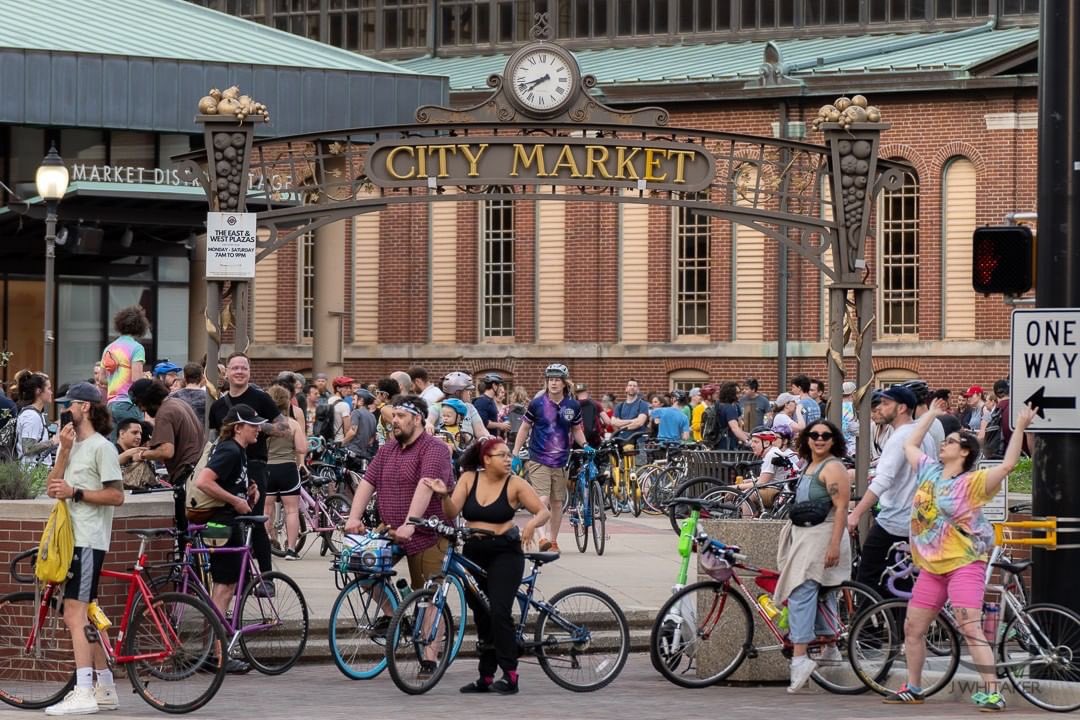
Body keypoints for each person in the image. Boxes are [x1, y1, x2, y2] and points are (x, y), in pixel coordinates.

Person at [884, 400, 1037, 710]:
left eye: (951, 442)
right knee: (913, 629)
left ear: (965, 451)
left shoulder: (974, 482)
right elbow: (910, 444)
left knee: (970, 627)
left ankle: (993, 691)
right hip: (931, 567)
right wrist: (929, 415)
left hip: (964, 563)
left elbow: (1007, 466)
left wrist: (1019, 427)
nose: (945, 444)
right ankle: (913, 687)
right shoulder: (928, 470)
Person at [423, 438, 550, 695]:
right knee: (482, 613)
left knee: (499, 610)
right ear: (486, 459)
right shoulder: (469, 479)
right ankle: (486, 677)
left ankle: (511, 675)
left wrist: (530, 525)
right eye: (501, 455)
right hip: (473, 552)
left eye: (508, 455)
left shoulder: (515, 483)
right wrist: (444, 495)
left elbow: (543, 511)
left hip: (505, 552)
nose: (508, 459)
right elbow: (451, 511)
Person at [44, 382, 124, 715]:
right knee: (85, 613)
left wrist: (76, 492)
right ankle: (104, 686)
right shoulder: (73, 444)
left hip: (88, 540)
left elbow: (117, 495)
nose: (65, 410)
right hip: (72, 540)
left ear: (85, 407)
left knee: (73, 614)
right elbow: (52, 487)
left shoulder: (102, 448)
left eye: (70, 405)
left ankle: (84, 691)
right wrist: (63, 451)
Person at [343, 395, 455, 600]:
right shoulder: (388, 448)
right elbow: (368, 481)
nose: (394, 420)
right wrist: (354, 517)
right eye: (393, 415)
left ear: (417, 419)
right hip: (391, 530)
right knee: (362, 567)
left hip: (427, 533)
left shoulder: (434, 448)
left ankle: (427, 631)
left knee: (427, 596)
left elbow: (426, 484)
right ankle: (393, 617)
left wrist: (410, 524)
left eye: (401, 416)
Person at [774, 419, 851, 694]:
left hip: (823, 534)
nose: (819, 439)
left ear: (834, 440)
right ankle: (829, 646)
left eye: (825, 436)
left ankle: (800, 658)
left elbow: (841, 509)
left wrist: (833, 546)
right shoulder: (810, 465)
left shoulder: (833, 467)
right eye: (814, 435)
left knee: (801, 589)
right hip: (806, 534)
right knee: (821, 592)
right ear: (806, 438)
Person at [208, 353, 292, 587]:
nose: (239, 372)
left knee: (255, 521)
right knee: (229, 521)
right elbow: (213, 440)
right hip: (226, 468)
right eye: (234, 368)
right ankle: (236, 579)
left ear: (249, 372)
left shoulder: (260, 398)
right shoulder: (217, 406)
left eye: (243, 368)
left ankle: (266, 579)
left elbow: (284, 428)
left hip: (254, 466)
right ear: (226, 373)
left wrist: (254, 425)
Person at [848, 385, 939, 598]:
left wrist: (856, 514)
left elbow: (883, 481)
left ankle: (868, 629)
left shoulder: (900, 437)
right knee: (901, 584)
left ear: (902, 408)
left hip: (894, 521)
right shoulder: (924, 437)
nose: (878, 409)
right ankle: (898, 629)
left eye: (886, 404)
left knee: (868, 578)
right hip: (918, 523)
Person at [192, 403, 264, 672]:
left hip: (224, 522)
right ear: (238, 428)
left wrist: (248, 490)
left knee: (224, 589)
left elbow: (225, 482)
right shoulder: (229, 449)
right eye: (252, 424)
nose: (258, 429)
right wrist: (236, 501)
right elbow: (204, 481)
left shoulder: (239, 451)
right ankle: (216, 655)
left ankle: (212, 652)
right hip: (220, 524)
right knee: (223, 590)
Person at [511, 363, 587, 553]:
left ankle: (553, 541)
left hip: (561, 460)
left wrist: (585, 445)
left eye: (557, 380)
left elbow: (576, 430)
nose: (553, 383)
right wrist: (515, 452)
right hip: (538, 458)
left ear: (564, 383)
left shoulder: (573, 405)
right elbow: (525, 428)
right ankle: (541, 536)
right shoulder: (537, 403)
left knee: (557, 502)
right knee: (542, 499)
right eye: (550, 379)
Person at [127, 379, 205, 484]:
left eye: (139, 404)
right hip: (197, 470)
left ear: (147, 398)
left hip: (187, 475)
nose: (141, 409)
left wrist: (142, 455)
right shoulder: (178, 403)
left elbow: (166, 451)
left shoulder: (164, 413)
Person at [264, 385, 307, 559]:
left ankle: (266, 542)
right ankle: (291, 549)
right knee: (291, 510)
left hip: (267, 469)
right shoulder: (292, 424)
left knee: (266, 509)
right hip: (288, 468)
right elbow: (302, 448)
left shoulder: (264, 425)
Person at [100, 305, 149, 428]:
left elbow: (102, 379)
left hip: (111, 404)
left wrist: (115, 378)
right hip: (129, 404)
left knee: (115, 446)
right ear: (140, 326)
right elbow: (136, 380)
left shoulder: (108, 348)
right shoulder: (137, 348)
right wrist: (147, 379)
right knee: (137, 442)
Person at [15, 371, 57, 467]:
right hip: (31, 475)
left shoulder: (36, 414)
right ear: (38, 391)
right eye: (49, 388)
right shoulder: (31, 416)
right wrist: (52, 442)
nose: (51, 392)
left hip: (36, 474)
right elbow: (28, 448)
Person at [113, 417, 156, 490]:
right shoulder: (109, 451)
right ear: (122, 434)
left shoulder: (141, 454)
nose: (139, 437)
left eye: (140, 433)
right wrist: (127, 455)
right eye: (134, 433)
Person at [344, 388, 378, 461]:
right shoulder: (372, 416)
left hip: (353, 451)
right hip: (364, 454)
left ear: (361, 400)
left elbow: (353, 431)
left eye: (354, 399)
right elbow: (371, 440)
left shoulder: (356, 412)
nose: (352, 402)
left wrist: (342, 442)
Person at [574, 383, 608, 448]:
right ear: (587, 392)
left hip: (577, 441)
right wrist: (603, 427)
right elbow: (607, 421)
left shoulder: (572, 405)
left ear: (576, 393)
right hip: (594, 440)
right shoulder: (595, 404)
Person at [328, 377, 354, 442]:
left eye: (349, 387)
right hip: (339, 441)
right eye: (346, 388)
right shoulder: (344, 405)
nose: (349, 390)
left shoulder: (329, 400)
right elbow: (347, 429)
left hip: (329, 440)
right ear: (338, 388)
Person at [840, 381, 859, 454]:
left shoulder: (832, 408)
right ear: (853, 394)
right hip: (853, 450)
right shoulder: (856, 408)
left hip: (838, 449)